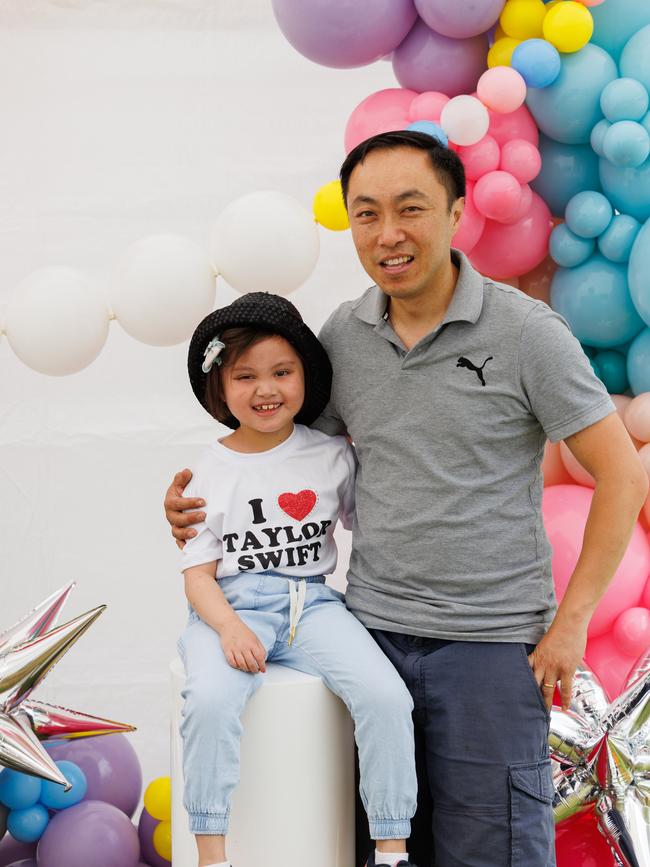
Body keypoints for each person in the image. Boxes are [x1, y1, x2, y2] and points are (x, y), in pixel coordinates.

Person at [166, 132, 649, 866]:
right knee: (383, 848)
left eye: (410, 208)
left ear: (456, 213)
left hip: (487, 649)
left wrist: (572, 623)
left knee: (494, 851)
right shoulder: (343, 337)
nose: (387, 234)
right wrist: (196, 506)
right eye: (366, 214)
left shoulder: (527, 334)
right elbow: (288, 457)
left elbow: (622, 473)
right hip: (369, 637)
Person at [176, 291, 418, 867]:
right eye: (246, 376)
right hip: (230, 607)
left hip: (313, 606)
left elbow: (373, 526)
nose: (266, 390)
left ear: (305, 376)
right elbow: (198, 577)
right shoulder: (205, 472)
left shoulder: (334, 455)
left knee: (387, 697)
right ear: (220, 388)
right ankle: (213, 853)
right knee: (209, 702)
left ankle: (390, 849)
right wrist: (230, 628)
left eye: (282, 372)